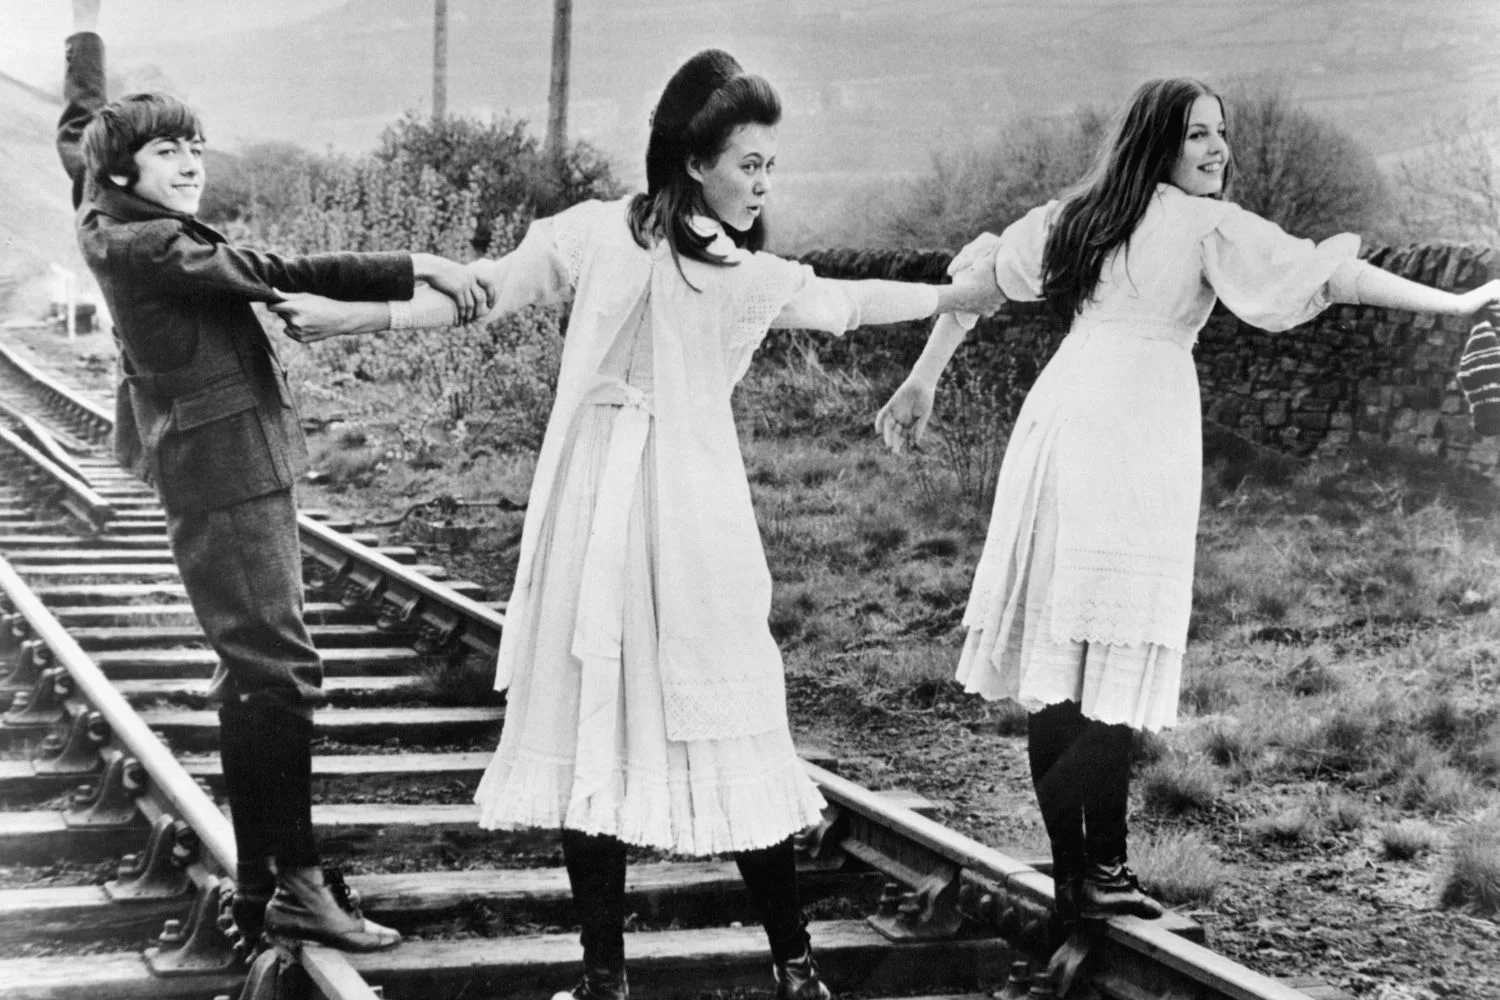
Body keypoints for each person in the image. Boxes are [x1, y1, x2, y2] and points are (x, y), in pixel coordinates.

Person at [273, 48, 1005, 1000]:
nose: (763, 183)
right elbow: (480, 293)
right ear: (693, 159)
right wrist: (353, 318)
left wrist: (956, 297)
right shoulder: (589, 234)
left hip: (693, 515)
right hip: (594, 505)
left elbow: (848, 303)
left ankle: (796, 970)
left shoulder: (743, 272)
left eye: (770, 166)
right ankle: (604, 977)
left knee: (732, 715)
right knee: (592, 716)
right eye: (750, 163)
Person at [874, 78, 1500, 936]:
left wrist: (922, 379)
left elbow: (974, 287)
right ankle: (1102, 871)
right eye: (1199, 135)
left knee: (1066, 655)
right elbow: (1334, 276)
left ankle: (1081, 877)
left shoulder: (1076, 217)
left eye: (1222, 134)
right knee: (1112, 642)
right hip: (1131, 433)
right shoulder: (1203, 225)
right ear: (1158, 143)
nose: (1219, 151)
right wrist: (1460, 300)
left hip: (1060, 421)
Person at [55, 0, 493, 953]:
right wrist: (422, 261)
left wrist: (81, 32)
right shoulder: (152, 243)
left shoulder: (99, 201)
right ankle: (294, 887)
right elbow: (280, 266)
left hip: (207, 455)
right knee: (278, 670)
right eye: (170, 151)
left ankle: (265, 876)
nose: (191, 164)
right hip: (226, 465)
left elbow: (75, 127)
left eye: (197, 146)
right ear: (125, 170)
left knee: (251, 668)